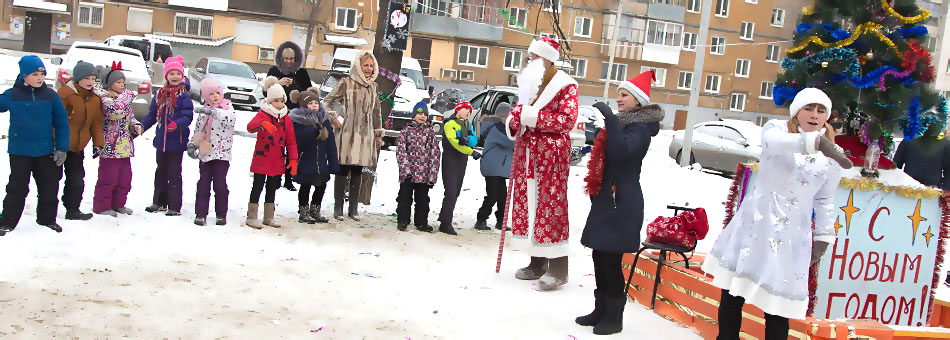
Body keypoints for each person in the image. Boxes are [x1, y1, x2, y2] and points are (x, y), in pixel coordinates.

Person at [701, 88, 854, 340]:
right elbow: (773, 144)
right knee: (733, 293)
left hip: (792, 236)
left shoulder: (831, 158)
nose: (814, 115)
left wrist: (824, 237)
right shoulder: (776, 130)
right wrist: (814, 142)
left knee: (777, 307)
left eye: (820, 110)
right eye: (808, 108)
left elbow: (825, 199)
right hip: (756, 227)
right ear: (796, 111)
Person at [575, 71, 664, 335]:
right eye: (618, 94)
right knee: (599, 254)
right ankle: (601, 309)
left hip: (622, 201)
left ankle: (614, 315)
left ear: (638, 100)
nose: (619, 98)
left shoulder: (640, 129)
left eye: (624, 95)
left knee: (611, 258)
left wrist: (611, 121)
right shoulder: (625, 124)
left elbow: (622, 151)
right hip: (608, 198)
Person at [506, 36, 579, 291]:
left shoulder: (566, 85)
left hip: (551, 157)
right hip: (528, 156)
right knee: (531, 207)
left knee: (551, 207)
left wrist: (532, 117)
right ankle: (537, 261)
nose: (531, 60)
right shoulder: (529, 84)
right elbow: (518, 112)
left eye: (535, 56)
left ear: (548, 59)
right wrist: (514, 122)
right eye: (530, 56)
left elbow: (567, 121)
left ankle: (559, 268)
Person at [0, 55, 70, 235]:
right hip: (20, 151)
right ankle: (6, 222)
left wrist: (62, 147)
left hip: (45, 151)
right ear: (24, 75)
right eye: (35, 74)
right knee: (17, 188)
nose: (40, 78)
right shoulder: (12, 95)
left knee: (49, 187)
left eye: (42, 73)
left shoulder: (50, 96)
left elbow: (61, 123)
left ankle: (47, 219)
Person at [323, 51, 383, 221]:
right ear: (358, 66)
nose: (369, 69)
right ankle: (338, 207)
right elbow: (327, 102)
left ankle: (353, 208)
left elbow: (377, 112)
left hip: (365, 135)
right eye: (366, 65)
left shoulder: (374, 87)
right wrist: (334, 118)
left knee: (358, 170)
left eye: (371, 66)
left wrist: (378, 133)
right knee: (342, 170)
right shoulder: (346, 83)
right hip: (347, 133)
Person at [141, 55, 193, 216]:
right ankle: (159, 202)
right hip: (161, 141)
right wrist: (142, 125)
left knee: (174, 174)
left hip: (176, 142)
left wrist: (177, 124)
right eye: (172, 74)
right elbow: (152, 114)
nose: (175, 77)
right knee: (160, 171)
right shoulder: (159, 95)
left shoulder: (184, 96)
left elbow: (188, 116)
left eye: (178, 74)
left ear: (182, 76)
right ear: (166, 76)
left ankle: (174, 206)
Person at [246, 76, 298, 229]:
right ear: (269, 101)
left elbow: (291, 141)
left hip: (277, 159)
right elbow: (250, 127)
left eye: (282, 100)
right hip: (262, 158)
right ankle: (252, 216)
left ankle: (269, 216)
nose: (280, 104)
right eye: (276, 101)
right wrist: (262, 124)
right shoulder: (263, 114)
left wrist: (293, 159)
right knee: (258, 186)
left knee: (272, 187)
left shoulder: (286, 119)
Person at [93, 62, 143, 217]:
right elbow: (114, 113)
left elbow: (129, 115)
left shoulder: (122, 98)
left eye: (123, 82)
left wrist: (135, 124)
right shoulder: (104, 97)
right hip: (110, 146)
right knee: (108, 178)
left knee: (124, 178)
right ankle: (102, 206)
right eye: (118, 82)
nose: (122, 85)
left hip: (124, 146)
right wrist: (127, 97)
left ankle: (118, 204)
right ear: (109, 84)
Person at [57, 60, 105, 221]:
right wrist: (55, 143)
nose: (91, 82)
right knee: (51, 180)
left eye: (93, 79)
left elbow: (96, 123)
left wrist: (98, 143)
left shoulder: (95, 99)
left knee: (76, 180)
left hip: (78, 148)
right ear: (78, 78)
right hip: (59, 146)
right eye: (87, 79)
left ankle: (73, 209)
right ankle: (47, 212)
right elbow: (54, 119)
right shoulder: (65, 94)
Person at [187, 79, 236, 226]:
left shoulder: (227, 109)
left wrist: (215, 112)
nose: (215, 96)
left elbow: (230, 120)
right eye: (211, 94)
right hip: (205, 153)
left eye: (217, 93)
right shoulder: (203, 112)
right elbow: (198, 130)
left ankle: (221, 213)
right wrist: (192, 144)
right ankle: (201, 213)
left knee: (220, 184)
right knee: (203, 184)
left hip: (222, 154)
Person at [289, 87, 339, 224]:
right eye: (310, 103)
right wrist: (312, 132)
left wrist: (333, 163)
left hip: (321, 161)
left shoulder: (324, 119)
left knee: (321, 185)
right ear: (304, 105)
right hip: (305, 160)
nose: (314, 106)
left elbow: (331, 144)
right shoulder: (298, 120)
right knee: (305, 186)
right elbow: (296, 139)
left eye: (315, 103)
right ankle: (303, 211)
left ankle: (315, 209)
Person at [268, 41, 313, 191]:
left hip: (295, 116)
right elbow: (265, 92)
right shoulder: (274, 71)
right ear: (281, 58)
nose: (288, 62)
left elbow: (308, 94)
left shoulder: (301, 73)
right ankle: (275, 178)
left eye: (291, 59)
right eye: (286, 58)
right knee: (276, 148)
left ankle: (289, 178)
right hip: (276, 116)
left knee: (293, 149)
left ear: (296, 59)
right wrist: (278, 83)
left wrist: (296, 87)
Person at [395, 102, 441, 232]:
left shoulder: (430, 133)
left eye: (425, 114)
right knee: (404, 198)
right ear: (413, 116)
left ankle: (421, 222)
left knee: (423, 200)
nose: (422, 117)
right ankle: (402, 220)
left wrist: (432, 174)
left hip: (424, 173)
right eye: (419, 114)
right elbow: (401, 151)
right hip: (409, 173)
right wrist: (406, 171)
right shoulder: (406, 131)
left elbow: (435, 153)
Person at [475, 102, 515, 231]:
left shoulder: (504, 127)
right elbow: (510, 143)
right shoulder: (495, 127)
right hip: (492, 167)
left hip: (501, 167)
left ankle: (501, 222)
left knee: (503, 196)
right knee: (492, 195)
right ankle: (481, 219)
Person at [892, 125, 950, 189]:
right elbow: (896, 166)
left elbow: (948, 170)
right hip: (908, 188)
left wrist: (946, 191)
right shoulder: (908, 140)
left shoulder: (945, 144)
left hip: (932, 190)